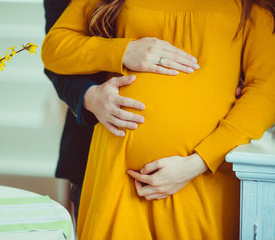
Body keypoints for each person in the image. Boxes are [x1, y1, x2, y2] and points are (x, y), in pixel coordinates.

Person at [42, 0, 275, 239]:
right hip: (118, 171)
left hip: (203, 177)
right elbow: (54, 48)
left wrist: (200, 161)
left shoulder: (251, 5)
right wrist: (122, 51)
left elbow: (266, 91)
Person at [43, 0, 203, 221]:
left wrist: (201, 161)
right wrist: (89, 95)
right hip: (97, 155)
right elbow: (56, 54)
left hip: (201, 170)